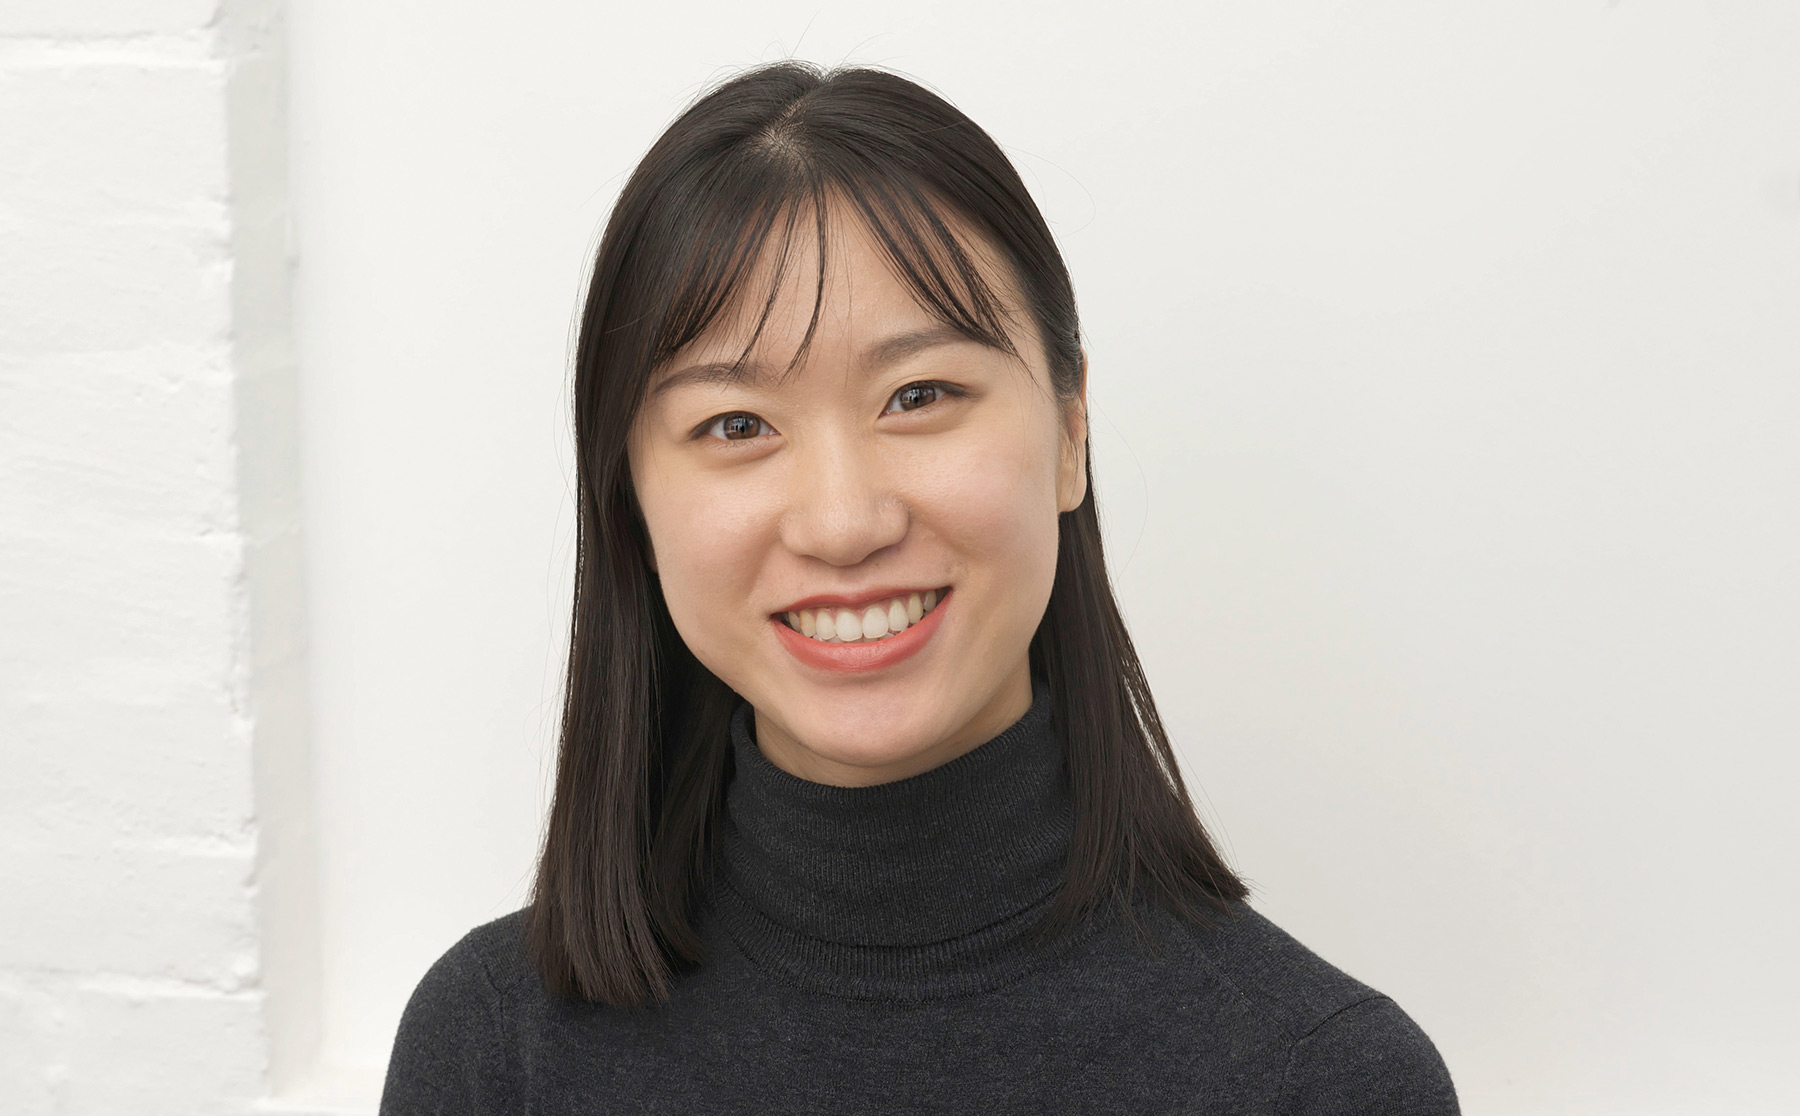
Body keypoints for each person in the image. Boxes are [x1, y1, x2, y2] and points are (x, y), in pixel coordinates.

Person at [379, 60, 1459, 1114]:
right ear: (631, 506)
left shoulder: (1325, 1081)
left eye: (920, 394)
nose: (844, 522)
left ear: (1071, 434)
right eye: (736, 424)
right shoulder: (493, 1052)